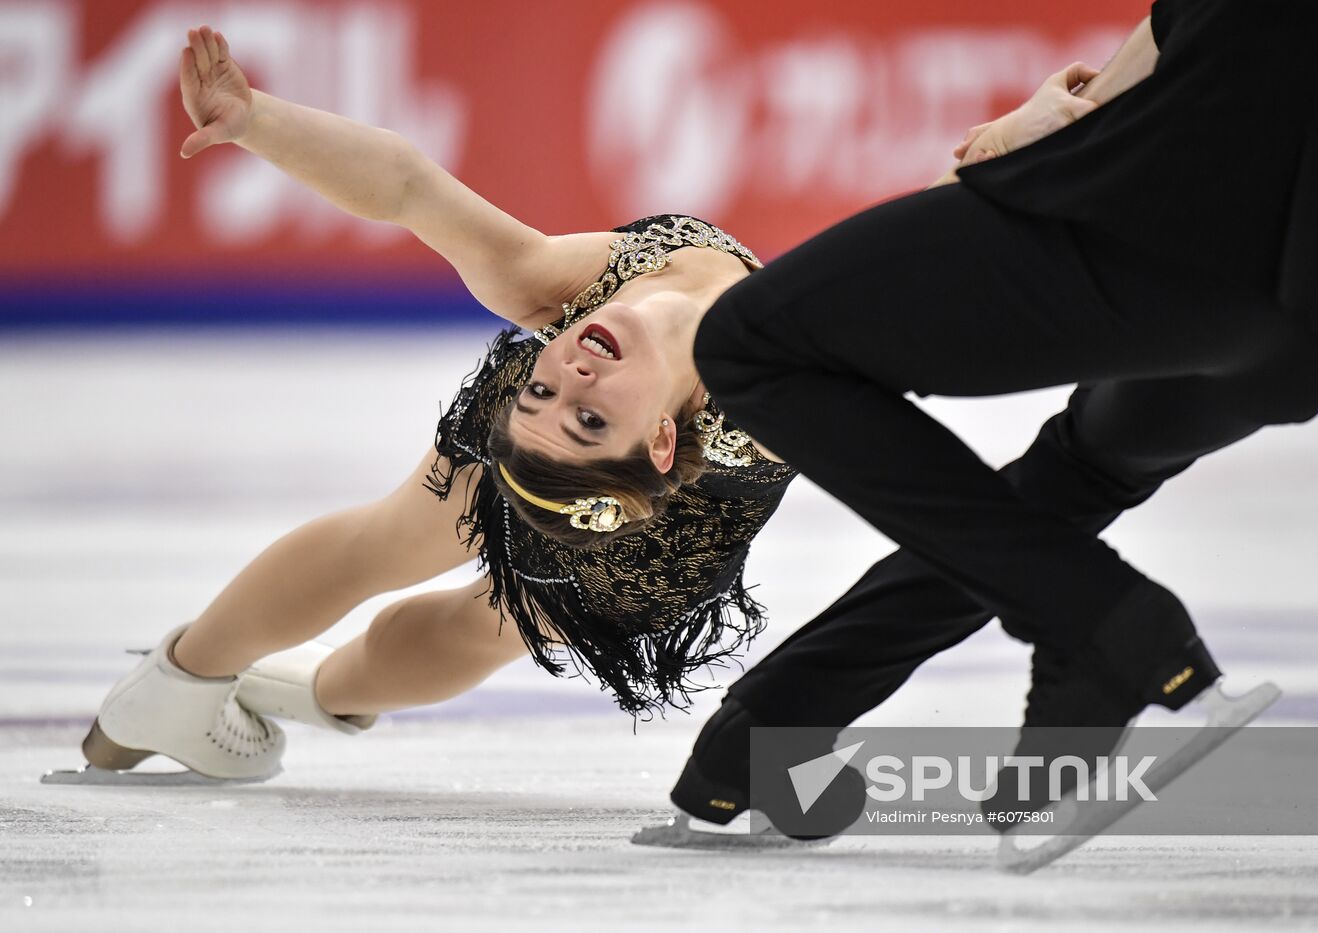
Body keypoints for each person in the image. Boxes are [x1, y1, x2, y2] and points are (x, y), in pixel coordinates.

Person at [70, 25, 1094, 783]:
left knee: (497, 623)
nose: (570, 373)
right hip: (605, 457)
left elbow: (410, 187)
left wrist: (1015, 138)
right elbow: (409, 189)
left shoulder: (637, 333)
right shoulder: (667, 334)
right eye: (566, 396)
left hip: (670, 527)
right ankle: (179, 685)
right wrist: (257, 122)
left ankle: (319, 692)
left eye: (560, 394)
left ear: (662, 435)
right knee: (394, 540)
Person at [651, 0, 1318, 842]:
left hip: (1200, 201)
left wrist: (1063, 123)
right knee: (1084, 471)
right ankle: (767, 732)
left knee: (754, 346)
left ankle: (1116, 629)